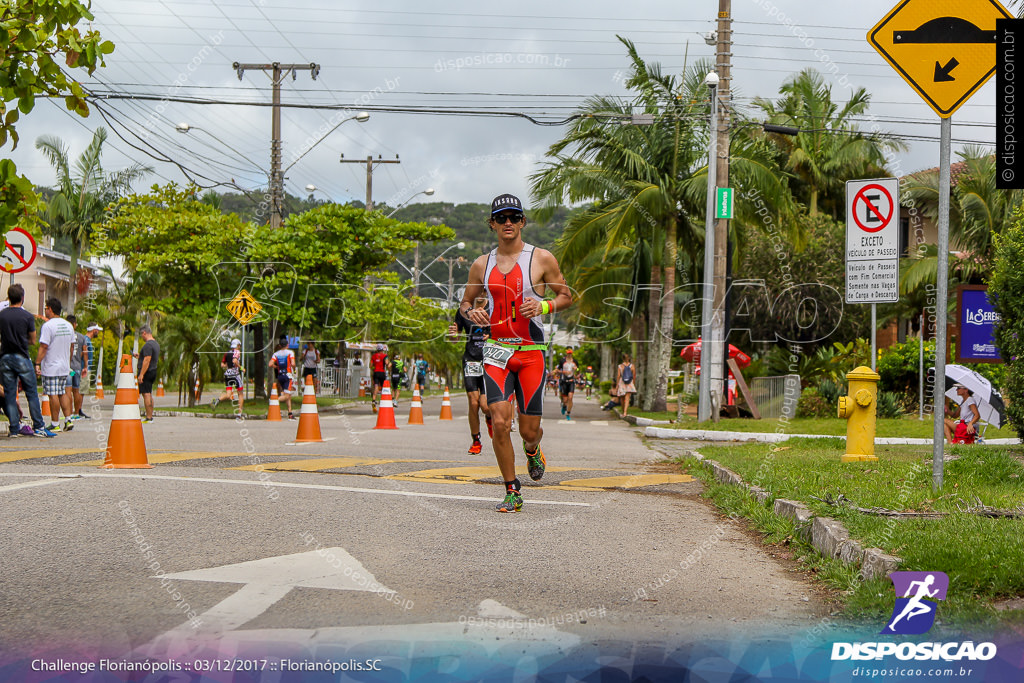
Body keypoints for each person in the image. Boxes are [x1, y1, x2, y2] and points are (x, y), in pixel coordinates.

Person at [461, 193, 572, 513]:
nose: (507, 223)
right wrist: (472, 314)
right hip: (495, 351)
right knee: (498, 422)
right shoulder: (481, 264)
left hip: (530, 354)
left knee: (528, 429)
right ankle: (512, 490)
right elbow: (465, 304)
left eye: (514, 217)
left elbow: (566, 295)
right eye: (501, 218)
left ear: (522, 221)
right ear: (492, 224)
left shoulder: (541, 258)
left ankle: (533, 449)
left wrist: (544, 305)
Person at [0, 285, 54, 437]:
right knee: (31, 393)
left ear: (9, 297)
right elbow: (33, 339)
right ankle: (38, 426)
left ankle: (14, 429)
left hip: (5, 357)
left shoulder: (2, 315)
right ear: (22, 298)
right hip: (22, 356)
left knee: (10, 394)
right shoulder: (27, 317)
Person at [448, 295, 492, 455]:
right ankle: (476, 439)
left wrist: (492, 337)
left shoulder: (493, 308)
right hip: (470, 359)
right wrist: (453, 334)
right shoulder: (463, 311)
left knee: (486, 406)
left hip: (489, 359)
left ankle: (489, 418)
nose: (481, 291)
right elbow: (455, 339)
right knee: (473, 403)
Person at [37, 298, 75, 432]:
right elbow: (72, 346)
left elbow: (44, 346)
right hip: (64, 366)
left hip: (51, 367)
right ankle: (68, 419)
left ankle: (54, 423)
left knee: (53, 394)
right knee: (62, 392)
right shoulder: (68, 325)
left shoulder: (48, 326)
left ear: (50, 309)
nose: (45, 311)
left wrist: (37, 362)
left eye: (46, 308)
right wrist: (68, 361)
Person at [212, 338, 244, 415]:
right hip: (235, 375)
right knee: (240, 393)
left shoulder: (227, 353)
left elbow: (222, 365)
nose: (239, 347)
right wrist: (241, 368)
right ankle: (239, 413)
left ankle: (216, 400)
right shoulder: (237, 352)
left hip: (227, 375)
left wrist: (228, 365)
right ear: (237, 345)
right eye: (239, 346)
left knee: (228, 394)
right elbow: (235, 361)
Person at [65, 314, 88, 420]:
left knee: (68, 390)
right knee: (77, 390)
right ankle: (77, 412)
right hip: (77, 367)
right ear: (74, 324)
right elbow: (85, 352)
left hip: (68, 368)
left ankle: (68, 414)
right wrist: (85, 365)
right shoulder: (81, 336)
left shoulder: (65, 335)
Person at [136, 325, 159, 423]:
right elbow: (148, 357)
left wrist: (141, 374)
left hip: (147, 372)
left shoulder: (148, 345)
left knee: (146, 394)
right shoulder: (155, 344)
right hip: (153, 370)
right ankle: (150, 415)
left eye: (142, 334)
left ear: (144, 333)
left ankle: (149, 417)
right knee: (149, 393)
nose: (142, 337)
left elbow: (147, 360)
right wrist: (139, 356)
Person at [270, 337, 296, 419]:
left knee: (287, 394)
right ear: (287, 345)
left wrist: (277, 367)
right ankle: (273, 401)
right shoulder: (290, 353)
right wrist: (294, 370)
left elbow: (270, 364)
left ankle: (290, 412)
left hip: (280, 375)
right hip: (288, 375)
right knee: (287, 395)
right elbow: (293, 363)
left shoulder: (276, 354)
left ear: (280, 345)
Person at [557, 349, 578, 421]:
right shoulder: (562, 361)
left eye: (570, 353)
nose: (569, 355)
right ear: (566, 354)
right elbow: (558, 370)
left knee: (570, 398)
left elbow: (578, 371)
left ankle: (568, 413)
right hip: (564, 381)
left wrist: (576, 369)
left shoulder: (575, 361)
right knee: (565, 400)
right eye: (568, 353)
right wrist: (564, 372)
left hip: (571, 381)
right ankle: (564, 406)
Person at [370, 343, 388, 412]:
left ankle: (374, 401)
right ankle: (382, 402)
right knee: (383, 388)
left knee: (376, 387)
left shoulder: (373, 356)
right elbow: (386, 363)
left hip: (376, 373)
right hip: (382, 373)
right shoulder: (385, 356)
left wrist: (375, 366)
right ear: (382, 349)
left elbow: (370, 366)